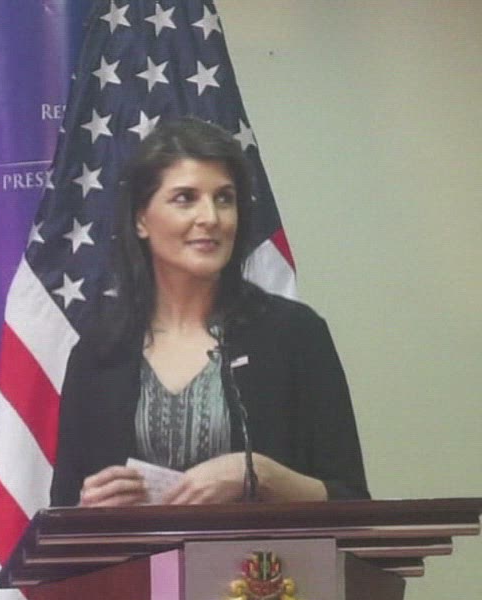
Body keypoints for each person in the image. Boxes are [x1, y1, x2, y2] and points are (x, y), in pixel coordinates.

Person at [49, 117, 368, 508]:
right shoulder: (99, 351)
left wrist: (260, 475)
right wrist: (89, 511)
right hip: (130, 553)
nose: (211, 218)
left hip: (267, 551)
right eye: (185, 198)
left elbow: (352, 503)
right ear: (141, 219)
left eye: (224, 198)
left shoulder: (295, 335)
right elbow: (62, 511)